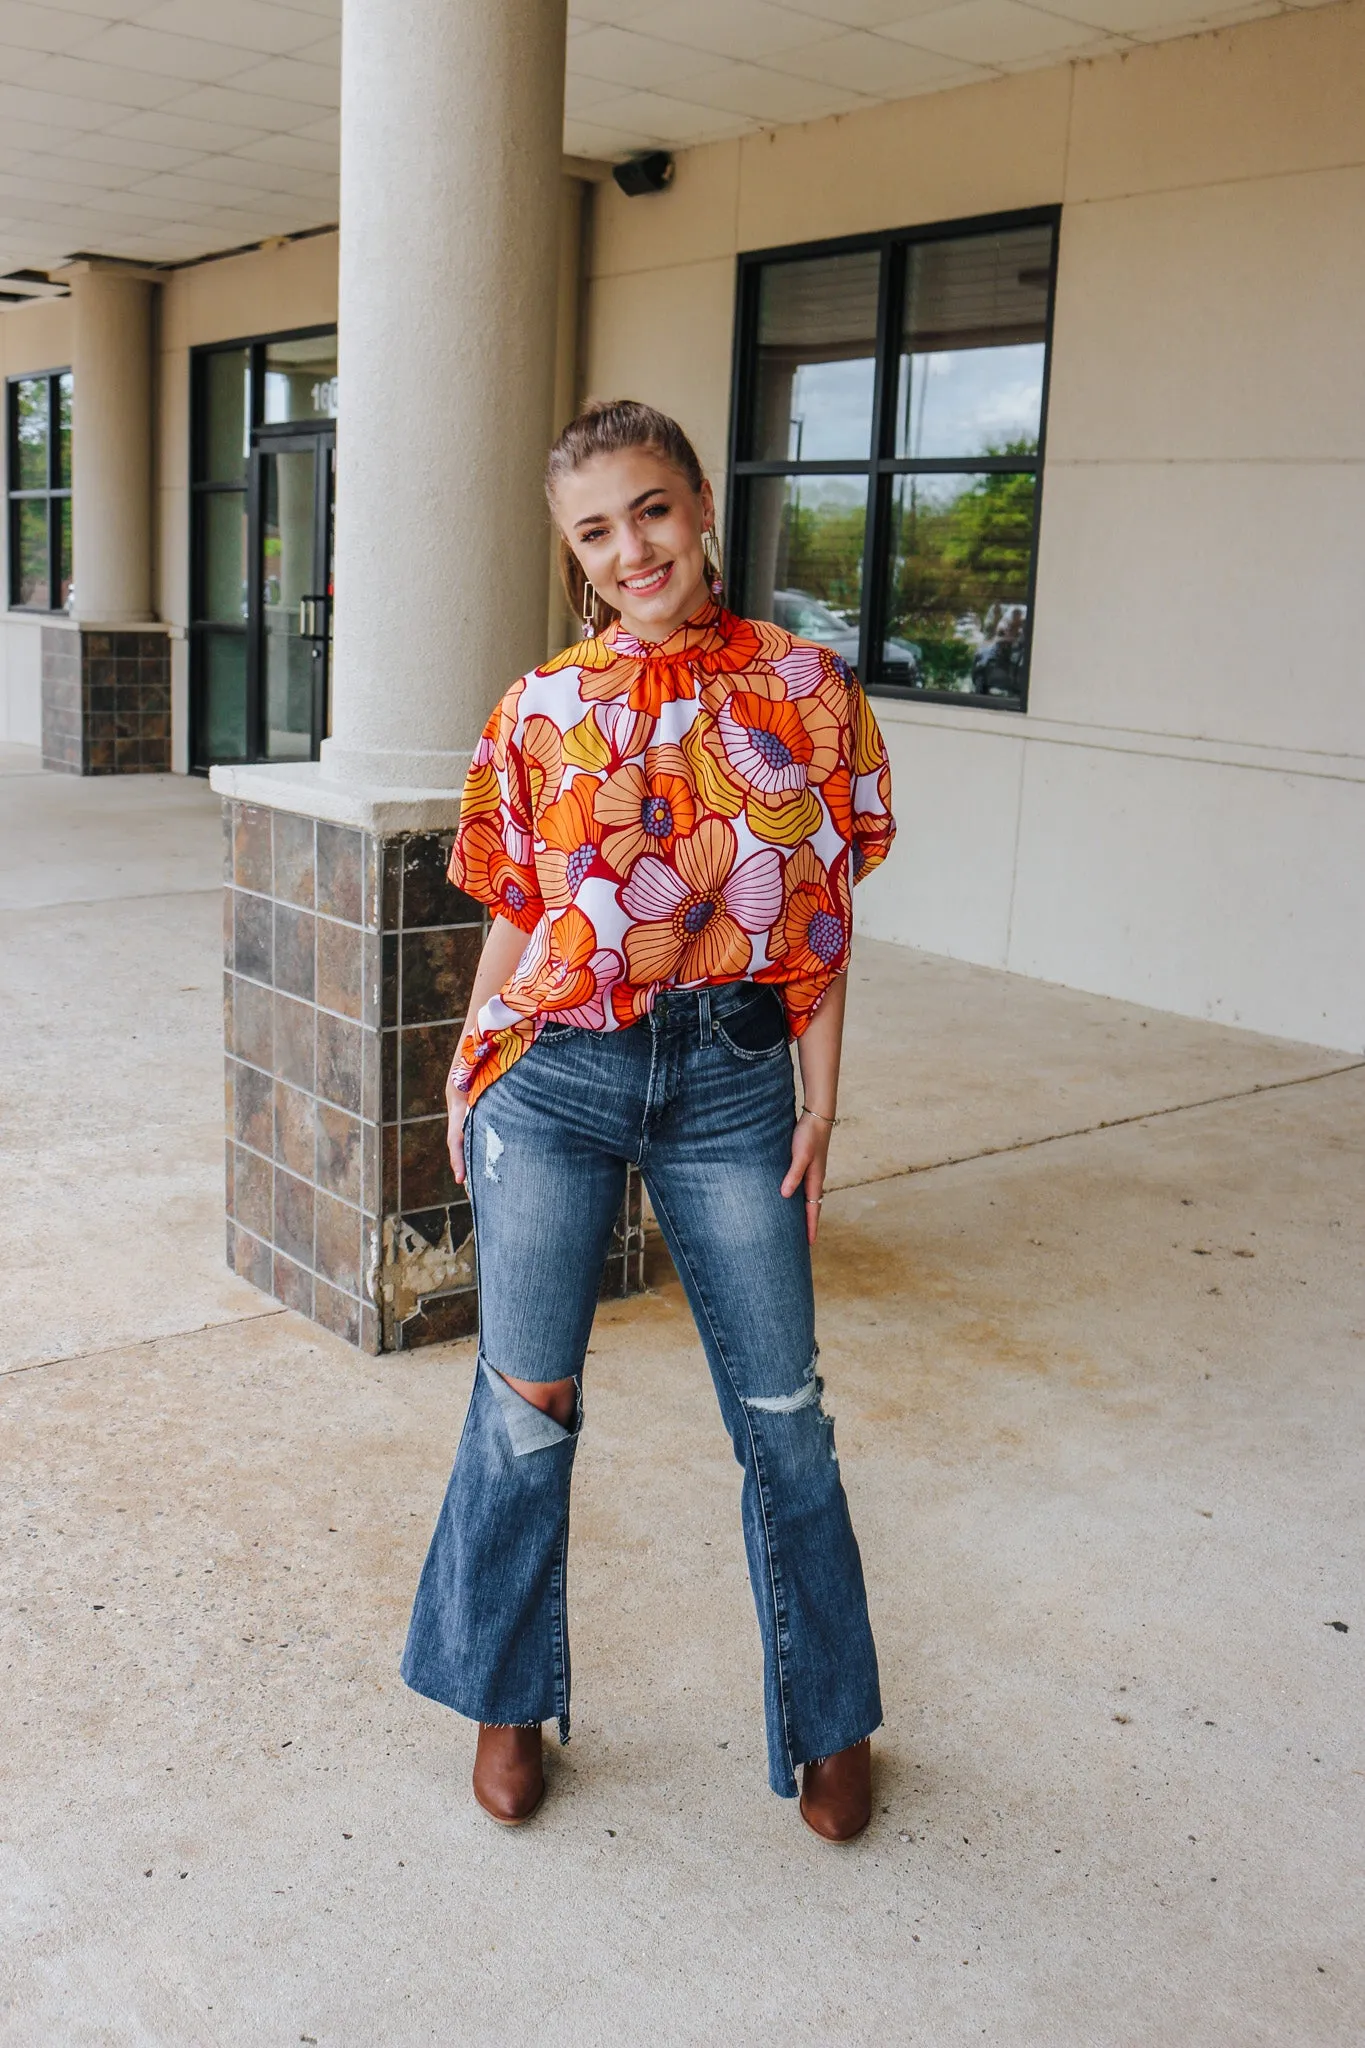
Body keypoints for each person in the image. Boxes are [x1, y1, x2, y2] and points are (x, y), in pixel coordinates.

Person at [401, 399, 896, 1843]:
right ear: (574, 555)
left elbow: (821, 914)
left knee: (785, 1416)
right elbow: (519, 900)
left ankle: (832, 1719)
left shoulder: (808, 690)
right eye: (597, 531)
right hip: (551, 1074)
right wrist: (466, 1055)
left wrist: (821, 1091)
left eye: (653, 510)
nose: (634, 549)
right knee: (523, 1403)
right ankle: (504, 1701)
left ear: (700, 508)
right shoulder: (540, 708)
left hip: (734, 1074)